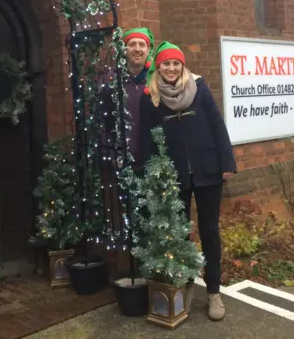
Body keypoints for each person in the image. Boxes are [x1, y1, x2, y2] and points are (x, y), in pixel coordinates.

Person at [139, 41, 236, 322]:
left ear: (183, 66)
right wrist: (152, 173)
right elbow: (147, 138)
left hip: (208, 171)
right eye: (166, 63)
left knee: (209, 232)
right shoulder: (151, 96)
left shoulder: (199, 88)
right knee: (179, 236)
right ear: (159, 66)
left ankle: (214, 293)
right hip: (174, 176)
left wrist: (227, 163)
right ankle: (185, 287)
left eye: (176, 63)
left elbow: (217, 125)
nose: (171, 68)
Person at [99, 27, 155, 169]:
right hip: (122, 161)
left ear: (148, 50)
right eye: (132, 44)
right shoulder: (111, 80)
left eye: (142, 45)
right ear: (124, 50)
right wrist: (109, 153)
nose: (137, 49)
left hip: (154, 161)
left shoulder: (156, 80)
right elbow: (102, 119)